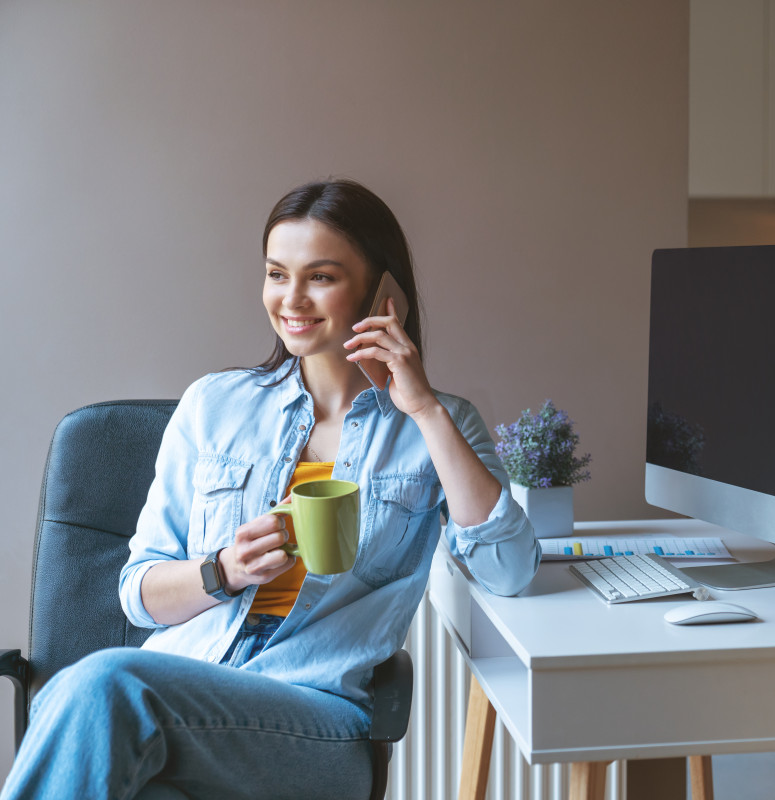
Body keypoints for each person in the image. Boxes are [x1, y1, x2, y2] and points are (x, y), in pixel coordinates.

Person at [1, 179, 541, 799]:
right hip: (187, 691)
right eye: (277, 274)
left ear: (382, 292)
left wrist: (420, 407)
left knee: (102, 685)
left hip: (315, 719)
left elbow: (508, 570)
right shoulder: (214, 405)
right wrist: (224, 571)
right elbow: (138, 594)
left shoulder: (438, 425)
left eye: (321, 277)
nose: (292, 299)